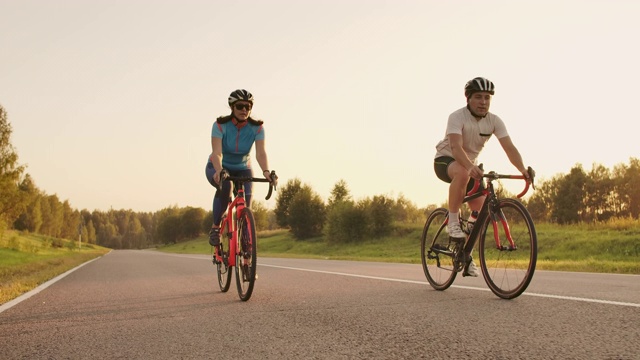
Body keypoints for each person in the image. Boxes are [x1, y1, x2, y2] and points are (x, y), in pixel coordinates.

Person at [433, 77, 532, 277]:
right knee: (461, 172)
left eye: (487, 98)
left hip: (470, 166)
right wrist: (470, 166)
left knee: (480, 211)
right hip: (447, 161)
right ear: (468, 99)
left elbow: (509, 148)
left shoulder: (494, 121)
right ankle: (453, 222)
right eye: (478, 97)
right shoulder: (457, 117)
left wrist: (523, 170)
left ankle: (465, 254)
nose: (483, 102)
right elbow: (455, 147)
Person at [205, 89, 276, 247]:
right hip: (218, 166)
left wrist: (266, 172)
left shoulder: (257, 128)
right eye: (240, 106)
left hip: (243, 167)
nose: (244, 109)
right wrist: (218, 170)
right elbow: (217, 153)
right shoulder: (220, 125)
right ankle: (215, 228)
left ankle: (246, 253)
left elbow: (261, 153)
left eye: (248, 106)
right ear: (232, 107)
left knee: (247, 204)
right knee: (226, 187)